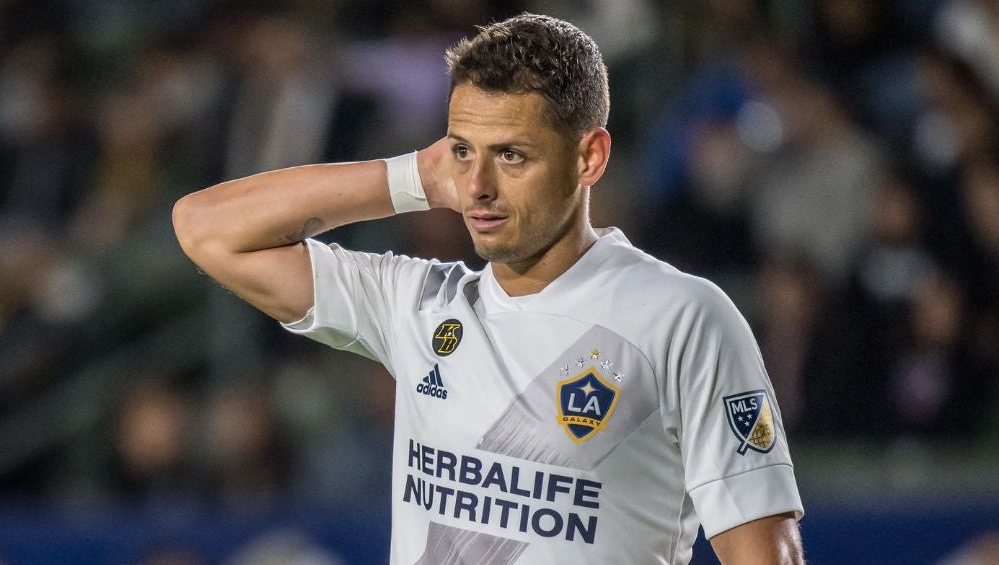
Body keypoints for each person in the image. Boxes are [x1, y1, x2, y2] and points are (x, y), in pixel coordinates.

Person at [173, 13, 805, 564]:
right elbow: (206, 229)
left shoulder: (681, 317)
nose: (476, 187)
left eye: (511, 155)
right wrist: (415, 177)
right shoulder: (418, 304)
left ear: (589, 157)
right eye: (462, 151)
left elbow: (764, 553)